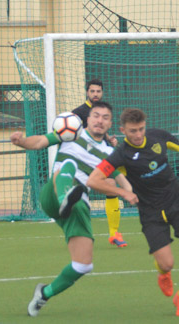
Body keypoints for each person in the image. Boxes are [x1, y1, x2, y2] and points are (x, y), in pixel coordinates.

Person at [87, 108, 179, 317]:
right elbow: (93, 180)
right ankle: (163, 273)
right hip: (150, 211)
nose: (138, 134)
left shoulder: (158, 137)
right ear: (123, 130)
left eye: (141, 129)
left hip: (177, 202)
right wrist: (122, 192)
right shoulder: (120, 154)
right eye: (133, 131)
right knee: (166, 263)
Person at [11, 101, 133, 317]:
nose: (100, 120)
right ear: (88, 119)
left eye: (105, 117)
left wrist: (130, 192)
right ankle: (65, 196)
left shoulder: (110, 153)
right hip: (53, 194)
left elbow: (120, 180)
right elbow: (39, 141)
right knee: (69, 165)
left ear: (110, 123)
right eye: (96, 115)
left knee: (83, 265)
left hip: (78, 206)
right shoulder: (71, 132)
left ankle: (44, 294)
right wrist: (21, 142)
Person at [72, 79, 127, 247]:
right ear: (87, 92)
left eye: (98, 91)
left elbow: (100, 132)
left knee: (111, 186)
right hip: (82, 158)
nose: (95, 94)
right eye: (92, 91)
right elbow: (71, 133)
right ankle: (76, 232)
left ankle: (114, 233)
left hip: (100, 157)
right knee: (78, 195)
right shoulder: (78, 113)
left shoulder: (103, 111)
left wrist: (109, 139)